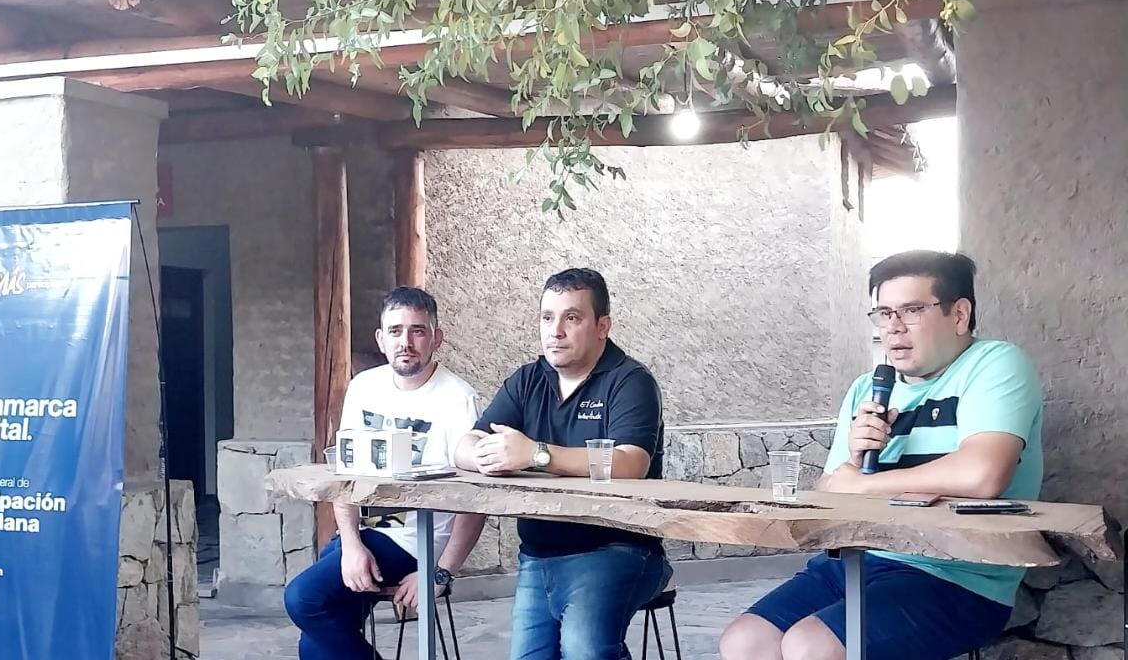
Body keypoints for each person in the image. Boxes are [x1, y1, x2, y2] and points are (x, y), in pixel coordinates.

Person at [719, 250, 1044, 660]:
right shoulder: (868, 388)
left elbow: (983, 474)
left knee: (811, 646)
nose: (893, 327)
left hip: (956, 574)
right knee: (744, 641)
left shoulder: (994, 364)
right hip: (857, 560)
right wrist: (855, 461)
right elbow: (833, 491)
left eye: (912, 310)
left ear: (959, 314)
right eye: (884, 313)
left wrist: (865, 486)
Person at [454, 268, 671, 660]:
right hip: (538, 554)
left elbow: (630, 463)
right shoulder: (527, 380)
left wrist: (535, 454)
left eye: (572, 317)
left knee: (583, 650)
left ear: (602, 326)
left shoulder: (630, 380)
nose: (555, 331)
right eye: (547, 317)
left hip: (617, 548)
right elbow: (465, 445)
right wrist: (487, 456)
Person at [284, 286, 486, 660]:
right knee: (316, 641)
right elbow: (345, 475)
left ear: (436, 339)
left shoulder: (458, 400)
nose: (405, 342)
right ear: (381, 339)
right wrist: (351, 545)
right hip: (364, 534)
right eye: (395, 331)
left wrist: (439, 573)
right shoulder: (364, 387)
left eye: (418, 331)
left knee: (304, 599)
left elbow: (476, 503)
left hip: (416, 542)